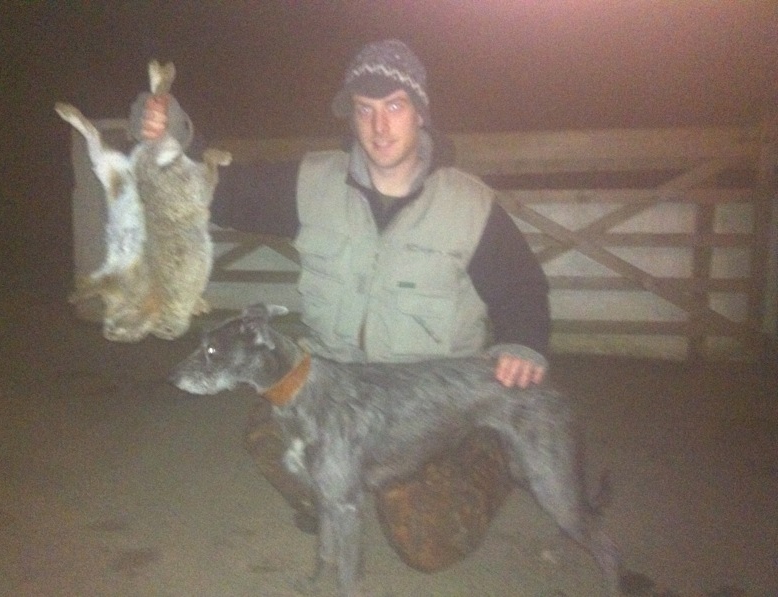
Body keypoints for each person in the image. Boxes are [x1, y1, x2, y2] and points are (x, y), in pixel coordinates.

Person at [132, 39, 551, 569]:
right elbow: (214, 189)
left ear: (421, 113)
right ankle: (332, 498)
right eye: (364, 109)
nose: (380, 126)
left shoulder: (470, 205)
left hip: (428, 407)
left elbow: (521, 286)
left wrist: (524, 342)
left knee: (426, 543)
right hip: (338, 389)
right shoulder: (313, 181)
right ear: (351, 117)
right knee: (268, 434)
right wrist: (173, 137)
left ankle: (493, 457)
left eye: (395, 106)